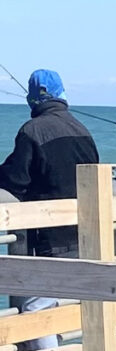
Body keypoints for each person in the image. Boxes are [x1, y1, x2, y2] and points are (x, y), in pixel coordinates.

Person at [0, 69, 99, 351]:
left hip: (49, 239)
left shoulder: (31, 131)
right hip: (83, 235)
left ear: (33, 98)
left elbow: (16, 179)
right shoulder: (82, 130)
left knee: (35, 312)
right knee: (52, 307)